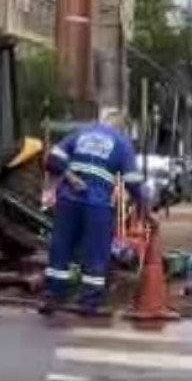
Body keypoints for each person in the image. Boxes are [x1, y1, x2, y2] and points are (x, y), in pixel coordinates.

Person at [44, 109, 145, 316]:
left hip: (68, 200)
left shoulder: (80, 134)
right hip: (97, 205)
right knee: (96, 252)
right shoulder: (122, 143)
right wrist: (143, 204)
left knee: (61, 247)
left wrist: (70, 177)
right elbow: (133, 181)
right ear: (122, 127)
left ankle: (53, 296)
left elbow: (52, 160)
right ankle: (89, 303)